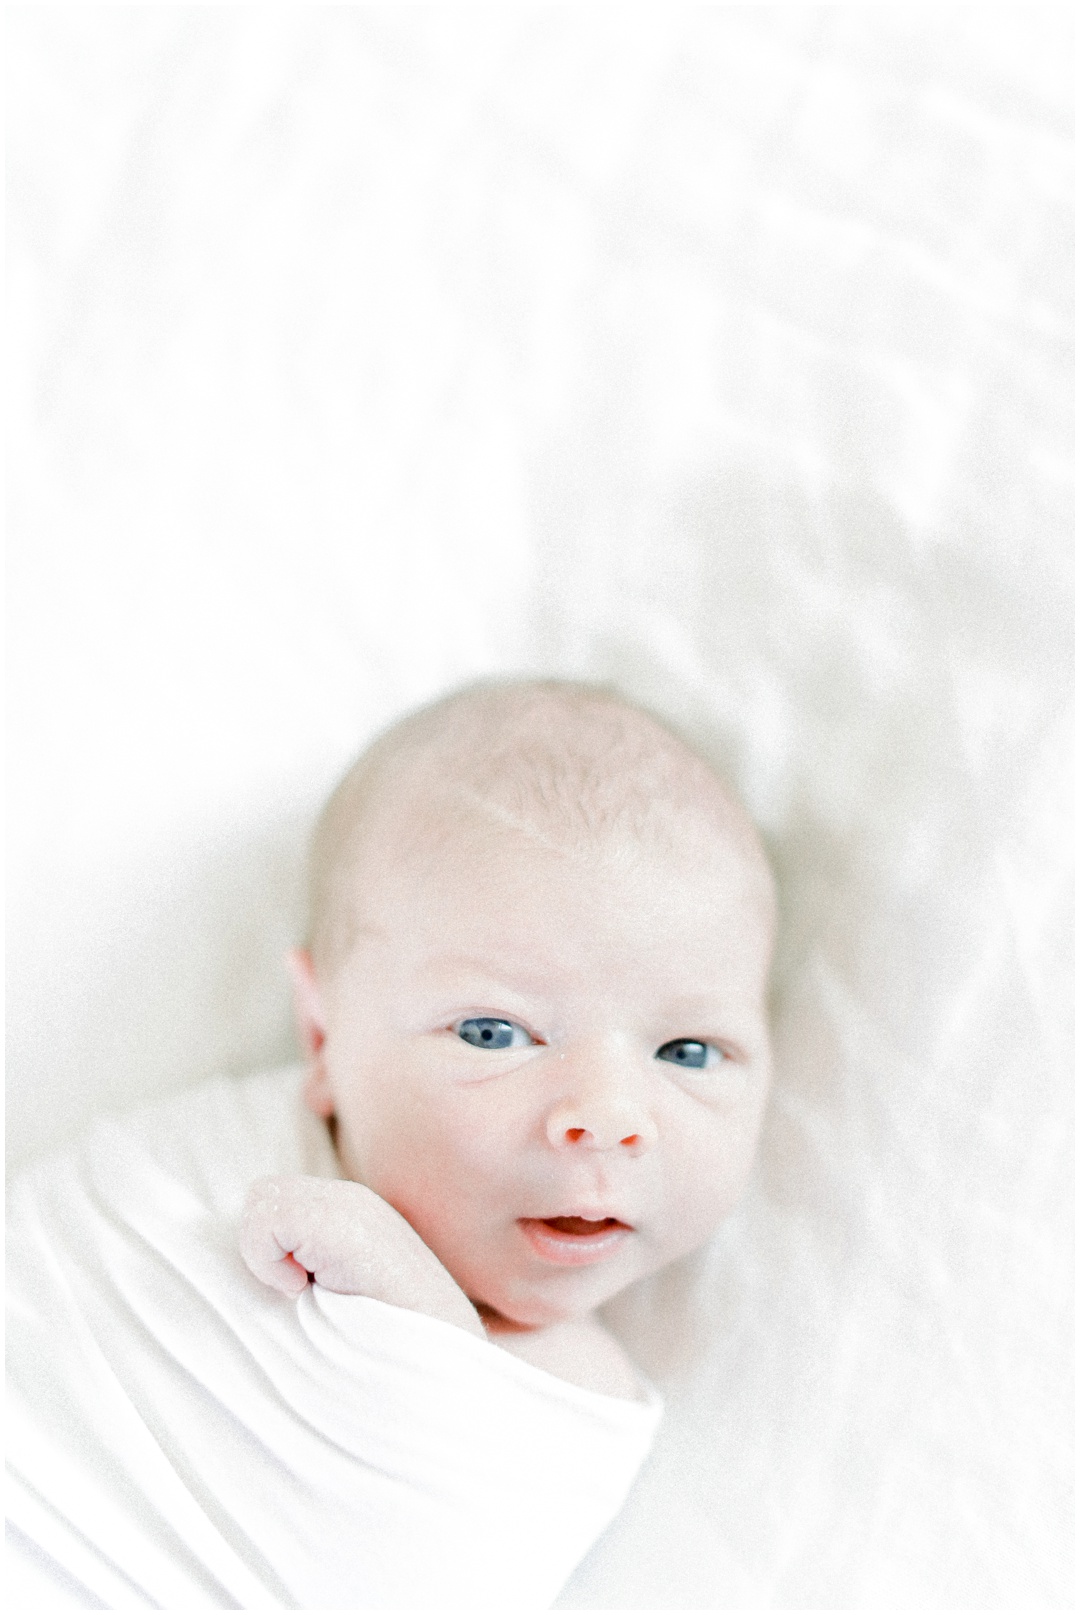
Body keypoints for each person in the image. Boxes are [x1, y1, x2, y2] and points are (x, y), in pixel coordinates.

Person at [7, 679, 776, 1610]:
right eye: (495, 1033)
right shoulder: (208, 1156)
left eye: (687, 1051)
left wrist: (412, 1307)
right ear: (324, 1038)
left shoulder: (582, 1396)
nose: (609, 1115)